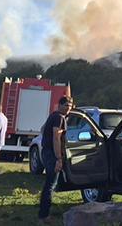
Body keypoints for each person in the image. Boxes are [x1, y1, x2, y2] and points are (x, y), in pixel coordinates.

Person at [38, 95, 73, 224]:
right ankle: (44, 215)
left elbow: (42, 129)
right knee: (50, 185)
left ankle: (44, 213)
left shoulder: (53, 116)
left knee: (50, 184)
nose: (67, 109)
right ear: (59, 105)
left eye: (69, 107)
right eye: (65, 106)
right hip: (53, 155)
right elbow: (56, 138)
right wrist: (59, 159)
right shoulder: (59, 118)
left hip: (46, 151)